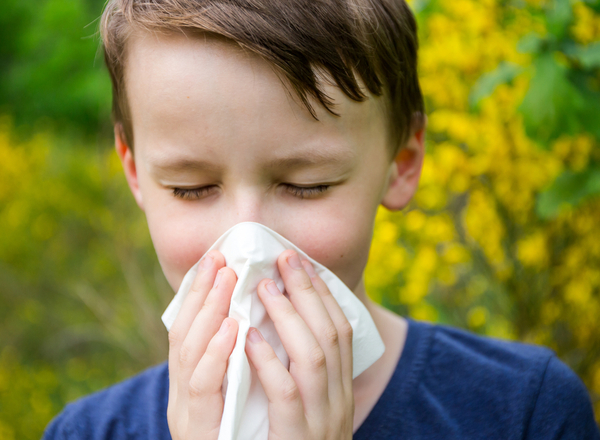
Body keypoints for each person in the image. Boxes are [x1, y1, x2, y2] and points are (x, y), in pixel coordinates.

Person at [43, 0, 600, 438]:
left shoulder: (525, 412)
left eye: (306, 186)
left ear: (401, 162)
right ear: (136, 172)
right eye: (192, 189)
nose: (246, 245)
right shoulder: (87, 432)